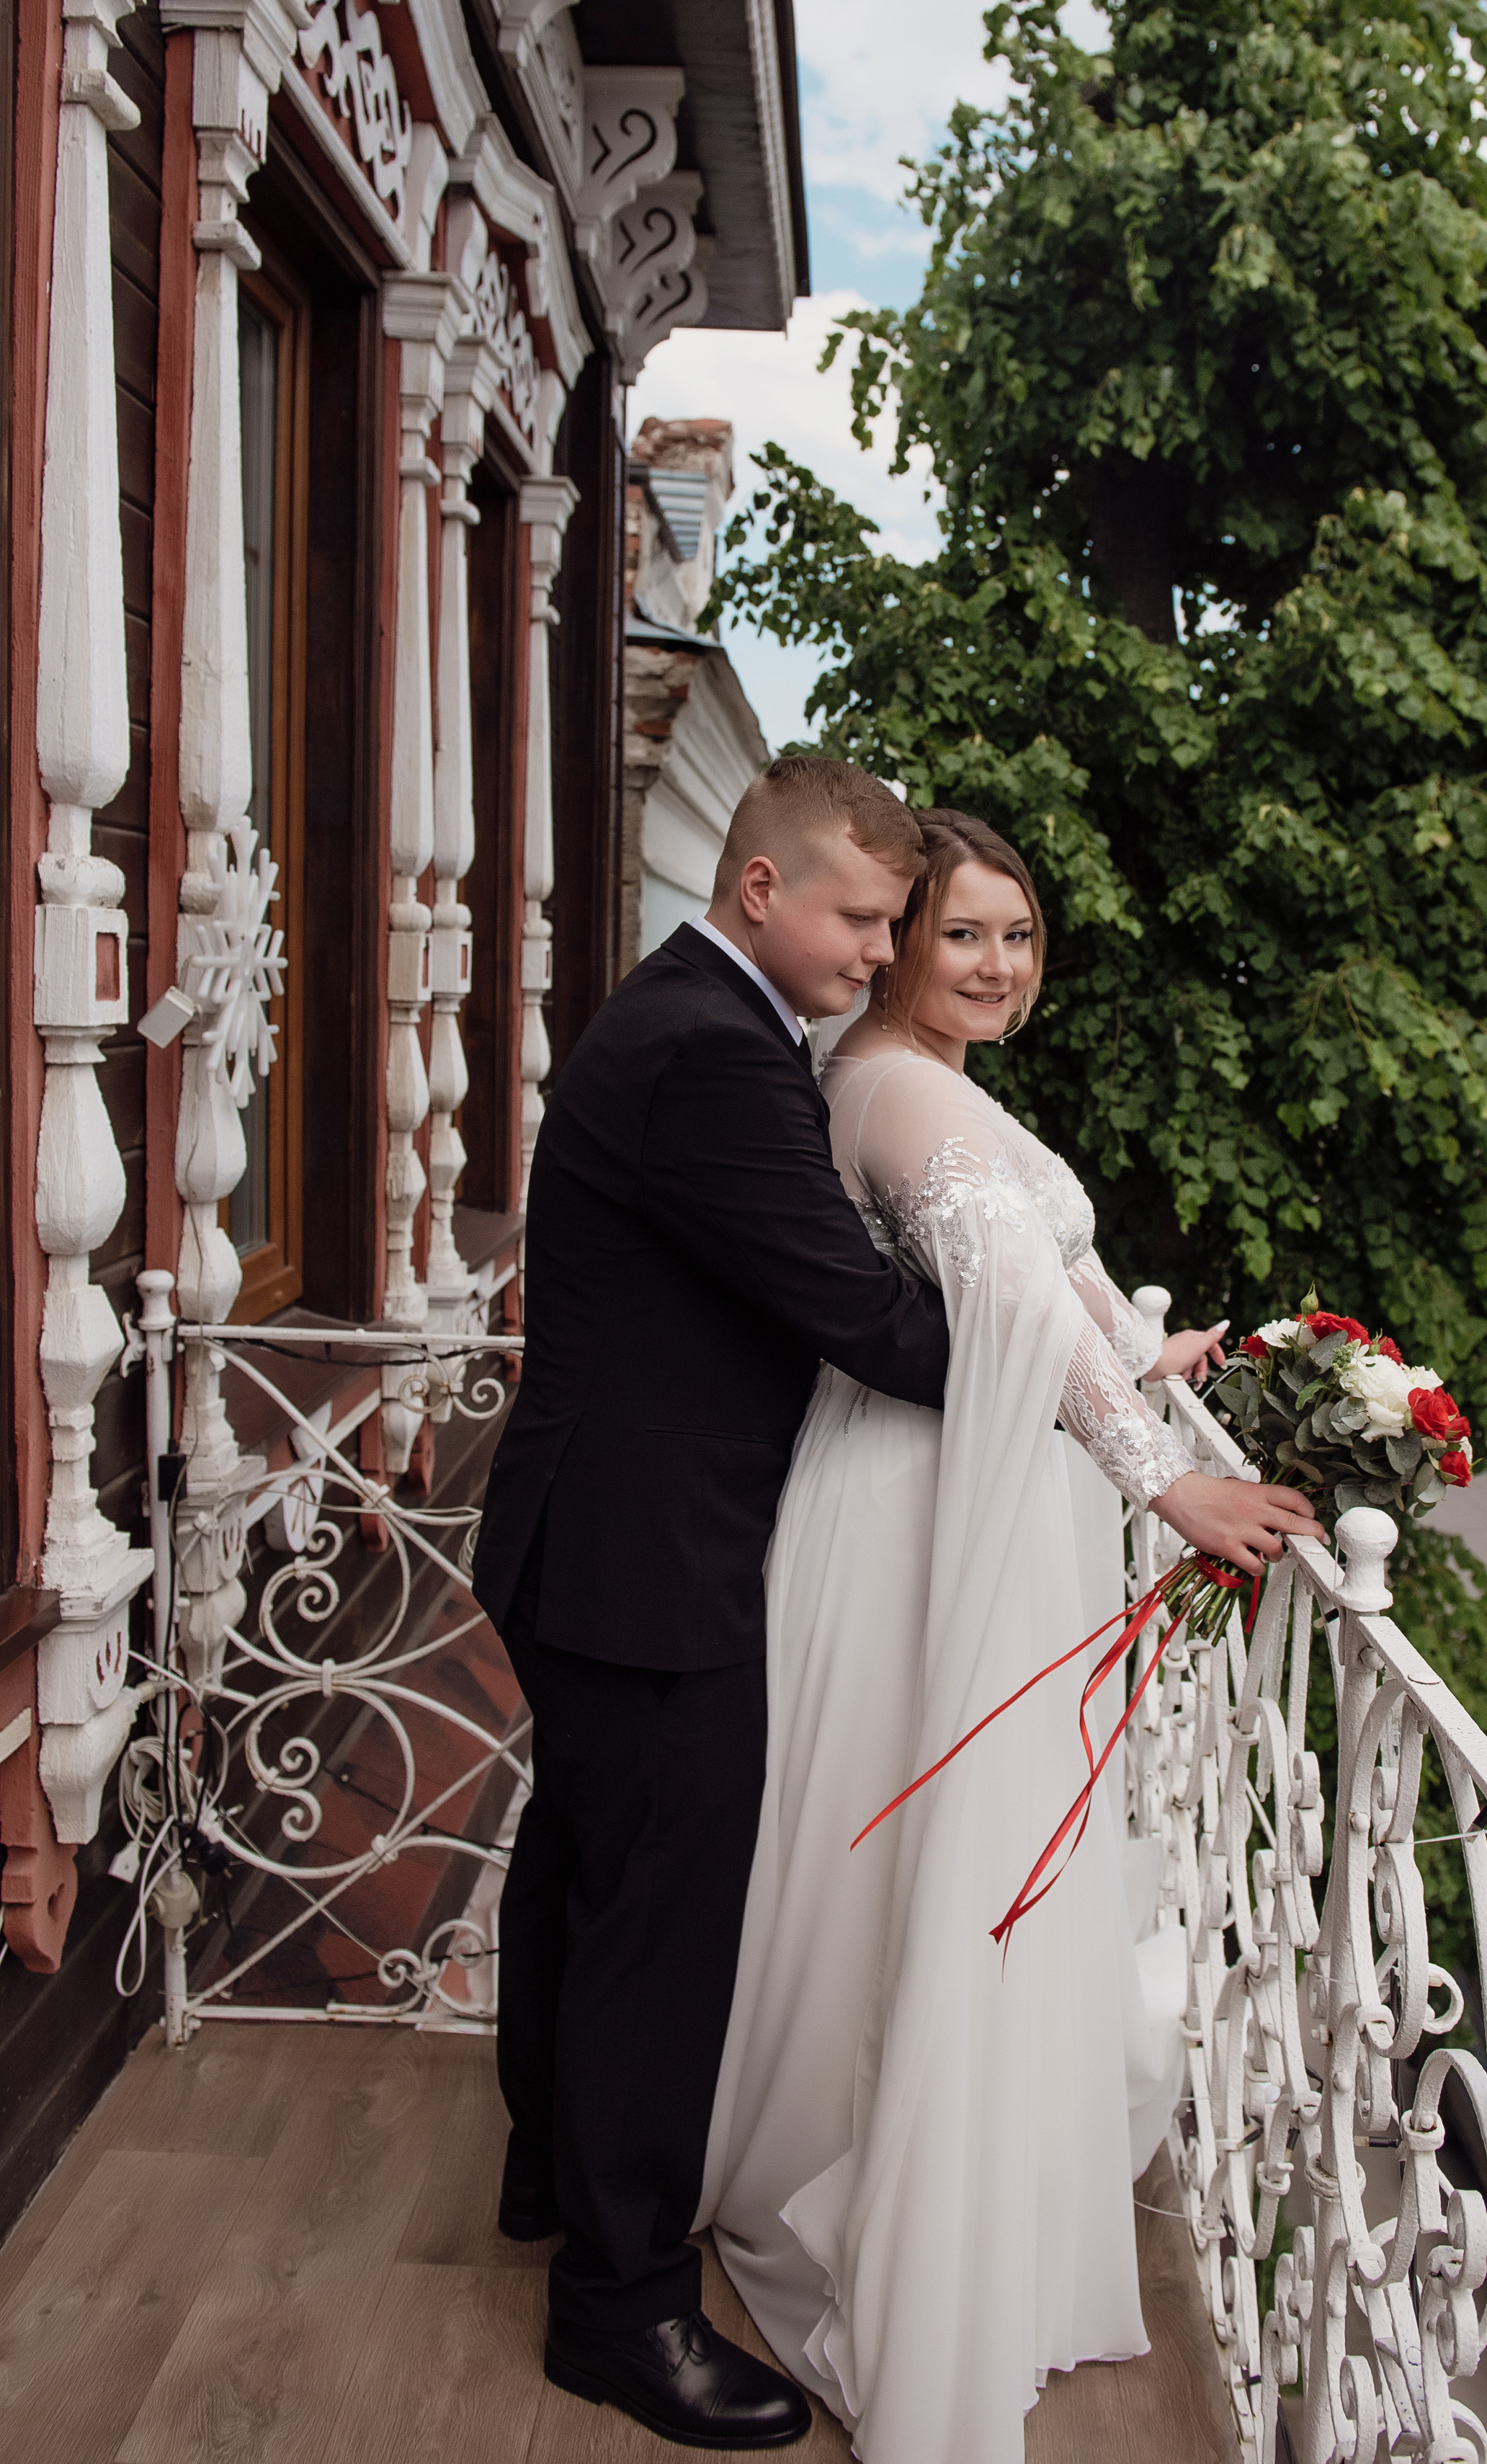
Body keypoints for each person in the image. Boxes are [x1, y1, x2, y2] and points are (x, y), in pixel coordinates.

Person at [700, 807, 1323, 2464]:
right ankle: (898, 2215)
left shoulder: (930, 1088)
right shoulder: (898, 1090)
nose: (993, 963)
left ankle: (926, 2169)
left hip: (959, 1491)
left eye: (1016, 936)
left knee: (935, 1858)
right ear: (898, 941)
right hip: (922, 1515)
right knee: (946, 1855)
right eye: (959, 932)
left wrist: (1159, 1358)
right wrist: (1168, 1490)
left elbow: (1072, 1299)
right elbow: (1011, 1313)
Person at [470, 759, 957, 2450]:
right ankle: (620, 2309)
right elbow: (865, 1319)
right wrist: (1082, 1376)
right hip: (642, 1562)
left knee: (584, 1878)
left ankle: (547, 2177)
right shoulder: (706, 1053)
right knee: (658, 1938)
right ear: (760, 889)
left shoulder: (693, 1017)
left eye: (894, 921)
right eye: (858, 916)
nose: (875, 950)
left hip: (595, 1538)